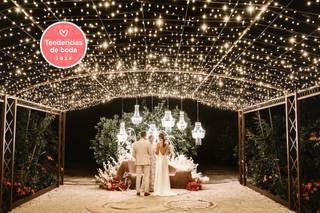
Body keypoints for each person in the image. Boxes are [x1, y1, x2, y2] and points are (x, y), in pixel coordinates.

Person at [132, 131, 152, 196]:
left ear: (140, 135)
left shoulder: (135, 144)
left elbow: (133, 154)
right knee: (146, 177)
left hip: (138, 162)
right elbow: (151, 153)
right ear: (145, 135)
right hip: (146, 162)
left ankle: (138, 191)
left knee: (138, 177)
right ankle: (146, 192)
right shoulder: (148, 143)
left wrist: (138, 158)